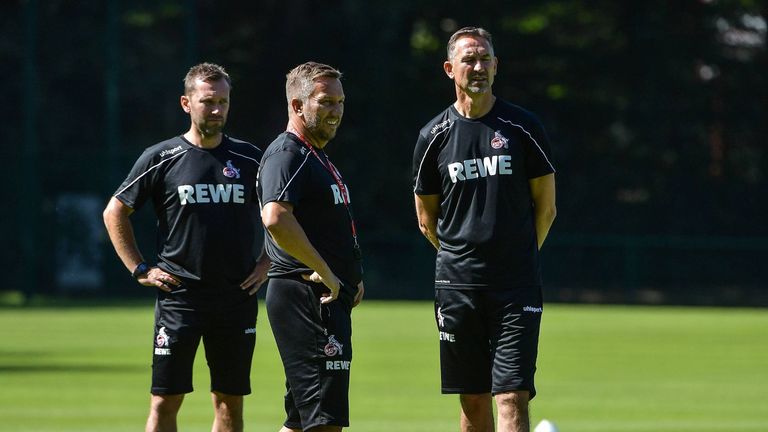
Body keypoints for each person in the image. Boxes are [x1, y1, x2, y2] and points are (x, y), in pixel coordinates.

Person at [102, 62, 269, 432]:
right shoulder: (161, 157)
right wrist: (140, 269)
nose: (217, 110)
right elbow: (115, 211)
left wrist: (266, 262)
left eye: (223, 102)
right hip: (180, 297)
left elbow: (281, 214)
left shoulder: (250, 159)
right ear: (186, 103)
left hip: (235, 297)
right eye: (208, 101)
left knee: (229, 404)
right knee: (165, 401)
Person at [412, 27, 557, 432]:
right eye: (468, 60)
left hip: (516, 284)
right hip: (457, 287)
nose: (478, 67)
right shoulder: (432, 136)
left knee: (512, 394)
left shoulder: (523, 127)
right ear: (449, 68)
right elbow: (426, 219)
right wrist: (462, 257)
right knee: (473, 399)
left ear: (496, 66)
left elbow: (546, 209)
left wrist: (518, 254)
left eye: (485, 59)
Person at [257, 61, 364, 432]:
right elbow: (275, 218)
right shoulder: (288, 155)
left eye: (340, 102)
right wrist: (330, 272)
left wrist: (352, 273)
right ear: (297, 106)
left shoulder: (314, 155)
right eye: (325, 102)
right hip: (308, 296)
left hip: (321, 297)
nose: (336, 111)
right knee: (324, 423)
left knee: (301, 420)